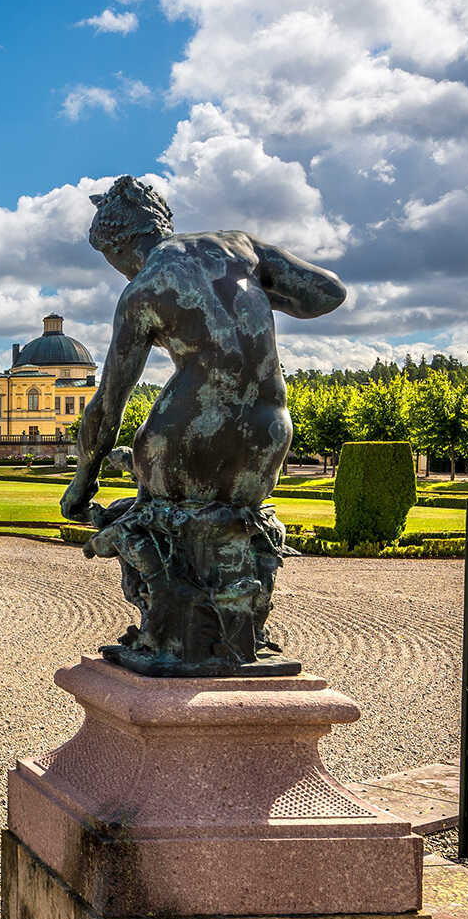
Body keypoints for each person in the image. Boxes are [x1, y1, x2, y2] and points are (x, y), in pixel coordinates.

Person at [63, 175, 346, 674]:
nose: (120, 271)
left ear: (120, 244)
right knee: (233, 530)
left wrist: (82, 484)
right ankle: (238, 640)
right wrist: (250, 288)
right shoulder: (237, 246)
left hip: (188, 429)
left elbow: (107, 407)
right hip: (269, 429)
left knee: (143, 522)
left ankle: (171, 639)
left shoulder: (142, 291)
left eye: (114, 262)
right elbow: (326, 294)